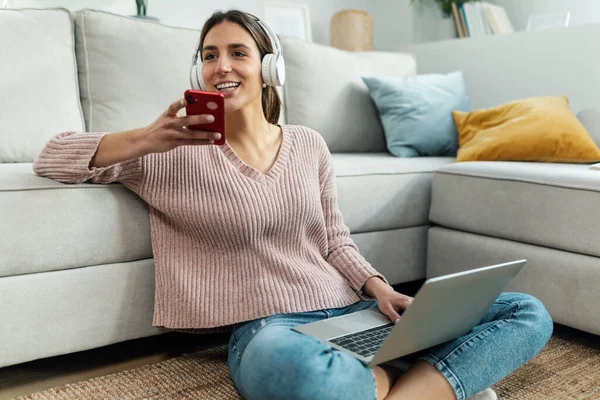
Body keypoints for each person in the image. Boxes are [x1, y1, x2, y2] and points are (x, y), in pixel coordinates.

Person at [33, 9, 554, 400]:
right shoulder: (167, 152)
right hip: (272, 331)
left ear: (269, 68)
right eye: (210, 55)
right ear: (198, 72)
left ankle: (386, 385)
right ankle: (438, 382)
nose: (222, 66)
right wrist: (146, 137)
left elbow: (333, 240)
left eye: (238, 52)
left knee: (526, 311)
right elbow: (52, 156)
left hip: (353, 310)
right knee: (284, 365)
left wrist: (381, 290)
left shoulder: (308, 144)